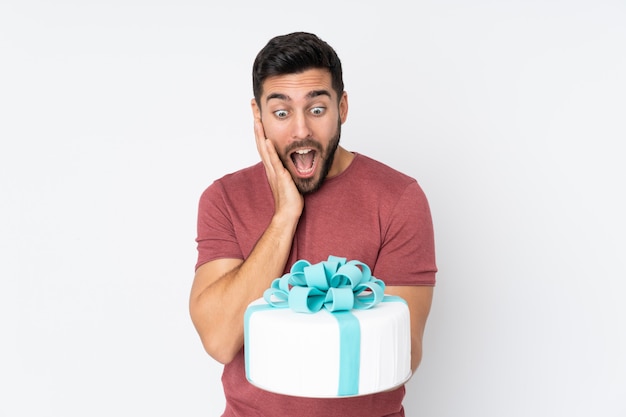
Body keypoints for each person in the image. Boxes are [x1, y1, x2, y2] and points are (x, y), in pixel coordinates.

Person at [189, 31, 437, 417]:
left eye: (317, 109)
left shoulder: (398, 197)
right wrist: (285, 216)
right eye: (282, 112)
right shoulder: (224, 198)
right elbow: (220, 340)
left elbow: (401, 353)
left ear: (343, 107)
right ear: (259, 116)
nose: (301, 130)